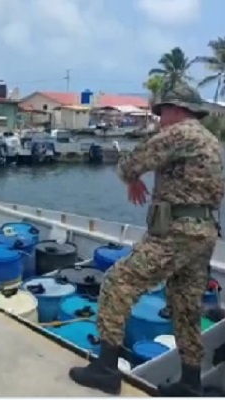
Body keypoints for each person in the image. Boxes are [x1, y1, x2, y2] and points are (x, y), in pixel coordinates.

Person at [68, 81, 224, 397]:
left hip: (178, 232)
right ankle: (191, 382)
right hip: (204, 233)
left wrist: (133, 178)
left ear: (176, 109)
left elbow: (130, 162)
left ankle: (107, 370)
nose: (160, 119)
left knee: (117, 283)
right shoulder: (210, 140)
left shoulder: (180, 133)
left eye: (162, 111)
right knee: (185, 306)